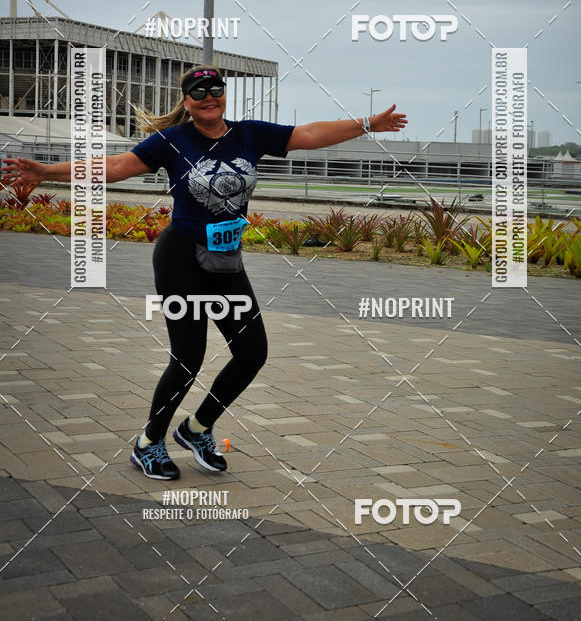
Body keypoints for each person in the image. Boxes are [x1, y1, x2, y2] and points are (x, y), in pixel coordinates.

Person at [1, 65, 407, 480]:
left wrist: (368, 123)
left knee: (252, 352)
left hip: (226, 260)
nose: (208, 96)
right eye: (199, 91)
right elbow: (117, 166)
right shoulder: (171, 141)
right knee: (188, 358)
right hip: (180, 258)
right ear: (187, 100)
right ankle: (148, 443)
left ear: (224, 94)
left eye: (216, 89)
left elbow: (311, 135)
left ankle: (196, 428)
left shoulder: (250, 134)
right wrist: (46, 172)